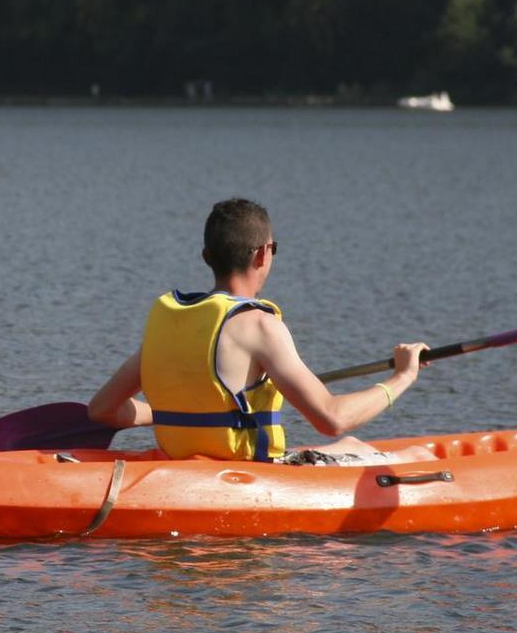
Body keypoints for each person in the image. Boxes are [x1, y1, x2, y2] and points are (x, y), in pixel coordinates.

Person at [87, 197, 436, 466]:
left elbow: (102, 410)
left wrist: (174, 410)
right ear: (262, 255)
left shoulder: (171, 323)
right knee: (416, 455)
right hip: (250, 477)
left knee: (351, 449)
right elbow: (332, 418)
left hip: (183, 470)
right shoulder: (260, 326)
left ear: (207, 257)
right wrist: (403, 376)